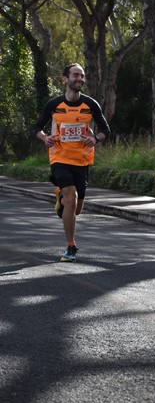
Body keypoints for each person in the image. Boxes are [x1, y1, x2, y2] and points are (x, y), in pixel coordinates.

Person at [33, 63, 111, 262]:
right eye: (76, 75)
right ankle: (71, 246)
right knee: (72, 197)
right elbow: (36, 128)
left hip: (82, 159)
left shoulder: (91, 104)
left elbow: (105, 130)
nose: (80, 79)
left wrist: (96, 139)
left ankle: (61, 200)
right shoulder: (53, 105)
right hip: (59, 157)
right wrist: (45, 138)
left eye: (82, 76)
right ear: (65, 79)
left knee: (76, 208)